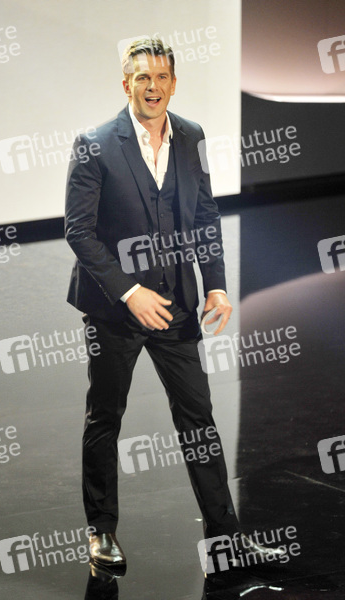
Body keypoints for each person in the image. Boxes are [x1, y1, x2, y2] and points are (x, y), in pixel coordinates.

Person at [65, 37, 282, 572]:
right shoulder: (94, 144)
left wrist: (215, 285)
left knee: (199, 421)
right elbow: (79, 232)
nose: (153, 87)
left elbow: (205, 214)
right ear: (126, 84)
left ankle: (226, 536)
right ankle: (101, 531)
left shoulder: (191, 136)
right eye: (143, 78)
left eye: (162, 77)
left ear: (174, 83)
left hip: (178, 304)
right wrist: (129, 292)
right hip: (115, 310)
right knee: (105, 417)